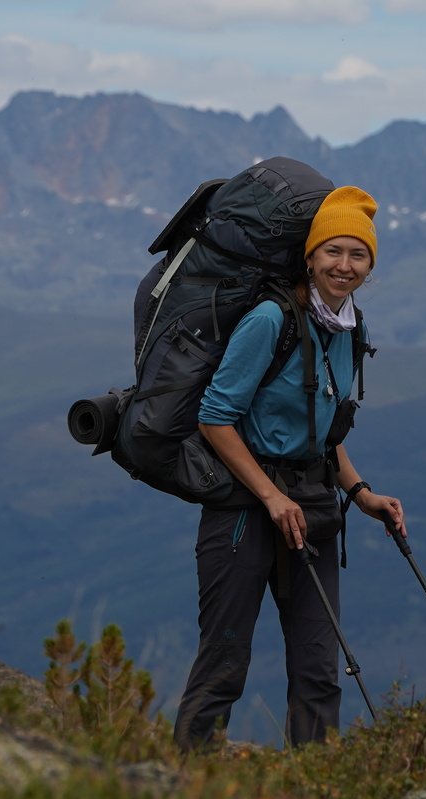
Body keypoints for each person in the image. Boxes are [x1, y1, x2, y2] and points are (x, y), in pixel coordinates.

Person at [173, 185, 405, 749]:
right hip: (242, 509)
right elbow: (215, 418)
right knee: (225, 659)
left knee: (319, 668)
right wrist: (271, 498)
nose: (344, 266)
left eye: (358, 255)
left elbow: (324, 431)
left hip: (316, 505)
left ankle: (317, 797)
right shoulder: (269, 320)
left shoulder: (352, 327)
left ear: (371, 265)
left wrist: (361, 492)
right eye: (333, 252)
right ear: (310, 255)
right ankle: (185, 786)